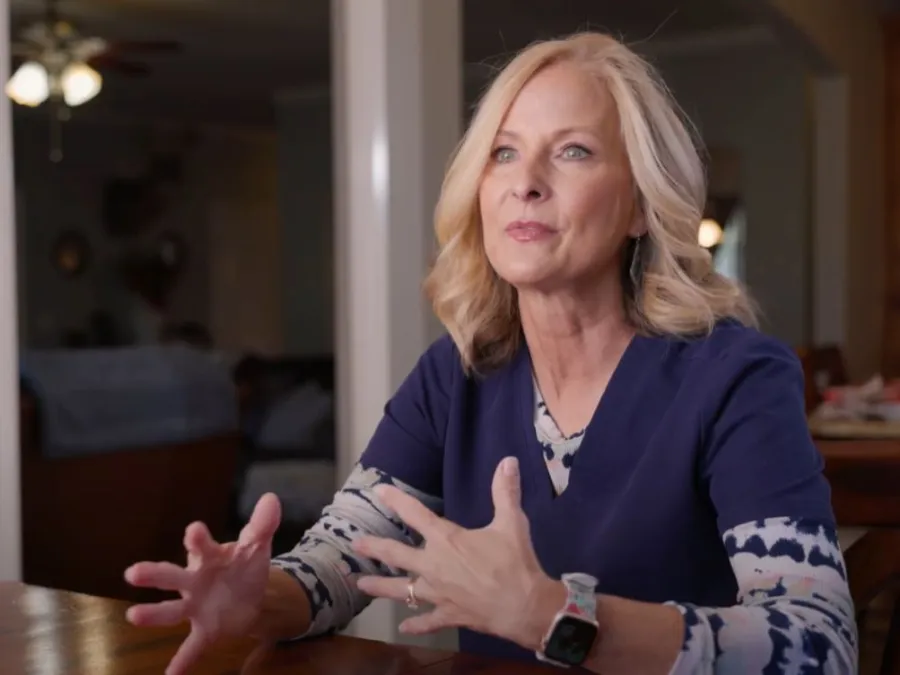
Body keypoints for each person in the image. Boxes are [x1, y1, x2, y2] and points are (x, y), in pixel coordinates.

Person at [124, 32, 856, 675]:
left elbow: (819, 645)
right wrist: (262, 598)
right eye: (504, 152)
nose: (525, 182)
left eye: (572, 151)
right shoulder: (455, 374)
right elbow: (345, 559)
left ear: (640, 205)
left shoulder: (733, 376)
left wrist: (556, 616)